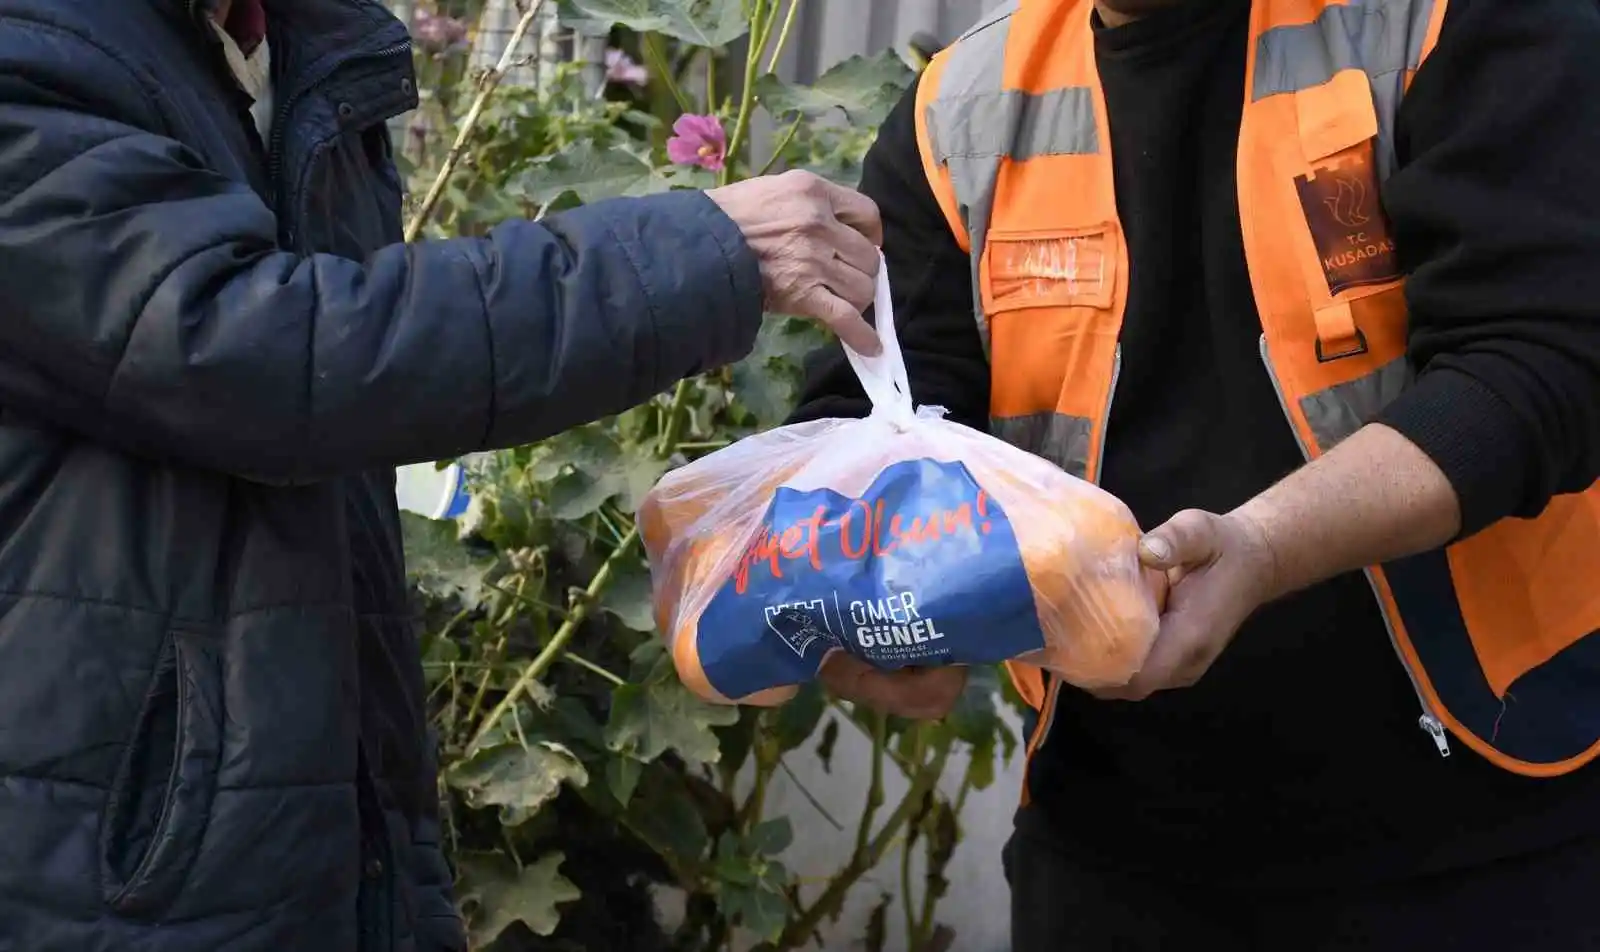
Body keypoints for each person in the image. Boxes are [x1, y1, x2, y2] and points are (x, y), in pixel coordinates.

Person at [0, 1, 890, 950]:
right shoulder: (31, 49)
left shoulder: (299, 48)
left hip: (288, 821)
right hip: (98, 857)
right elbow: (264, 351)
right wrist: (705, 254)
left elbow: (346, 428)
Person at [791, 0, 1600, 948]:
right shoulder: (963, 108)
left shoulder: (1453, 24)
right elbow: (873, 422)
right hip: (1108, 849)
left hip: (1490, 838)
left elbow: (1546, 364)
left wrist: (1259, 548)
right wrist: (862, 600)